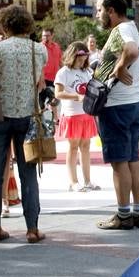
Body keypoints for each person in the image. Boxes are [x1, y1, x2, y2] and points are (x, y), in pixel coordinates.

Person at [94, 0, 139, 231]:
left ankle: (123, 215)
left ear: (111, 11)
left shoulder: (123, 30)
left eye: (99, 10)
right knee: (133, 159)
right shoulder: (134, 28)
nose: (98, 15)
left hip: (116, 106)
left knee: (119, 163)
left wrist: (118, 65)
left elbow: (131, 51)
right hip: (133, 103)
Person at [0, 4, 46, 244]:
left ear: (4, 24)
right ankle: (32, 229)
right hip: (28, 117)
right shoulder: (39, 50)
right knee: (28, 174)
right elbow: (38, 82)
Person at [54, 41, 99, 192]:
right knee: (73, 148)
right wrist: (75, 97)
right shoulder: (64, 72)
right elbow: (58, 93)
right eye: (80, 57)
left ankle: (87, 181)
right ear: (72, 55)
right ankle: (73, 182)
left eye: (85, 57)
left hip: (86, 113)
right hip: (72, 114)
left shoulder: (88, 72)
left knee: (86, 147)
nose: (82, 60)